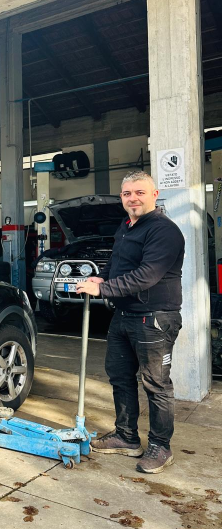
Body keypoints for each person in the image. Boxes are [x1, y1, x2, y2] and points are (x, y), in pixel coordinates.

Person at [76, 171, 184, 474]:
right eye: (127, 194)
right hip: (124, 315)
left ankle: (161, 446)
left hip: (155, 319)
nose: (132, 198)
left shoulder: (164, 231)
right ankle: (126, 437)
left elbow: (147, 274)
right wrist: (103, 276)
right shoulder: (126, 227)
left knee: (156, 384)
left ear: (154, 194)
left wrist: (103, 289)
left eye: (139, 192)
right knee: (120, 377)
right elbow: (118, 262)